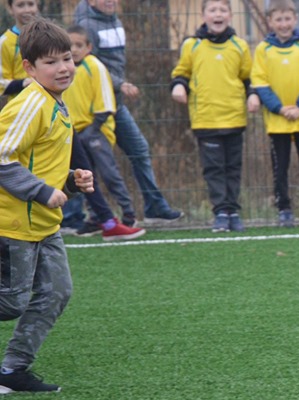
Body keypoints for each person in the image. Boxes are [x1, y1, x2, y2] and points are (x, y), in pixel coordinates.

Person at [0, 18, 94, 393]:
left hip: (44, 222)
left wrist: (71, 180)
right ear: (29, 68)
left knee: (57, 291)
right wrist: (41, 191)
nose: (63, 68)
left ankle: (11, 371)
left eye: (67, 59)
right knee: (11, 303)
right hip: (14, 223)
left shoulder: (57, 101)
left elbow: (39, 161)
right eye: (51, 62)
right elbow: (2, 159)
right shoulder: (29, 104)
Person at [74, 0, 183, 224]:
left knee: (138, 149)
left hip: (115, 103)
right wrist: (119, 83)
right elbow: (88, 65)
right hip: (95, 110)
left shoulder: (116, 22)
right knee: (90, 165)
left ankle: (153, 206)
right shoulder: (86, 26)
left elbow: (112, 64)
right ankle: (87, 215)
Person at [170, 0, 255, 233]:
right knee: (214, 168)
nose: (218, 15)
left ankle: (233, 211)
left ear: (230, 15)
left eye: (223, 10)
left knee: (233, 167)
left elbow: (248, 77)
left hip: (234, 118)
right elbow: (181, 73)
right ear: (203, 15)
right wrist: (178, 86)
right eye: (213, 10)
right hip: (205, 119)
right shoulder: (192, 45)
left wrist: (252, 95)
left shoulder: (239, 46)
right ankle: (221, 212)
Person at [62, 25, 143, 241]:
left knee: (110, 174)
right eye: (70, 45)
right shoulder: (65, 70)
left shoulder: (94, 66)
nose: (75, 50)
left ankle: (128, 214)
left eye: (79, 45)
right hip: (75, 133)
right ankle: (96, 218)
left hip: (95, 131)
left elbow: (106, 102)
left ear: (89, 47)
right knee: (85, 177)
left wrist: (93, 129)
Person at [249, 0, 299, 228]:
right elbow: (260, 83)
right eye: (278, 20)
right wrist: (280, 108)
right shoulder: (264, 49)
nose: (283, 24)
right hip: (277, 121)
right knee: (279, 168)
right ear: (270, 21)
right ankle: (284, 209)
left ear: (295, 19)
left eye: (287, 19)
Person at [0, 0, 38, 98]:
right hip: (20, 105)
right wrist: (24, 83)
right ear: (10, 8)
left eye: (30, 4)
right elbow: (1, 83)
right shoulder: (5, 42)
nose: (27, 10)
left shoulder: (48, 36)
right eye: (20, 5)